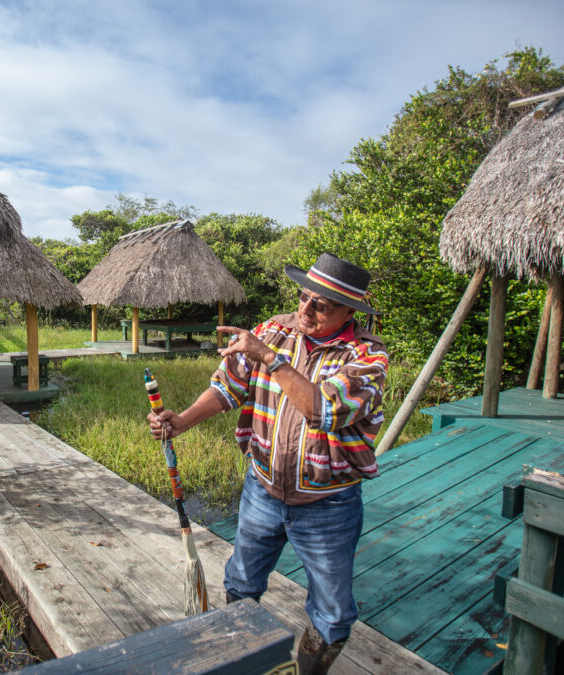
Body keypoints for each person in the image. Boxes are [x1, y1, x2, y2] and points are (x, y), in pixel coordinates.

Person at [147, 252, 388, 674]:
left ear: (350, 311)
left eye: (321, 305)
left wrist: (272, 359)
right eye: (303, 297)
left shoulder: (366, 357)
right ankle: (240, 662)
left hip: (328, 505)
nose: (305, 310)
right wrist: (181, 421)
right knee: (240, 584)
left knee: (332, 617)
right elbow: (228, 387)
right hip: (262, 490)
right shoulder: (271, 330)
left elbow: (321, 410)